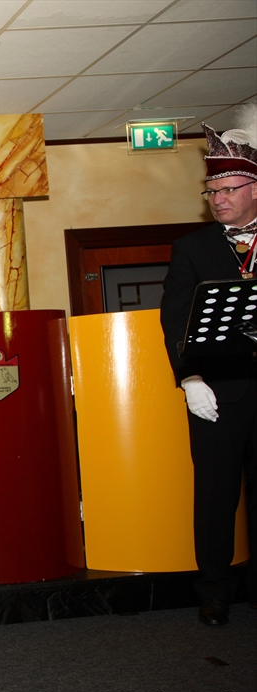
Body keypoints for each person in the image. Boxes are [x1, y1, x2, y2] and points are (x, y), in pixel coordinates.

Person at [160, 116, 257, 627]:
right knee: (216, 494)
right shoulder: (193, 248)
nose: (218, 199)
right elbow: (175, 317)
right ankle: (214, 590)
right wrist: (190, 378)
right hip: (217, 391)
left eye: (228, 189)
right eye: (212, 191)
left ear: (254, 189)